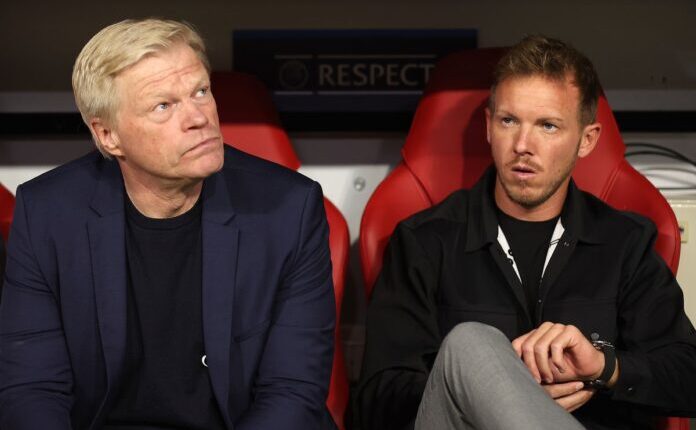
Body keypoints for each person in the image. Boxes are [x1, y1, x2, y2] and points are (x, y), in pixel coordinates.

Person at [0, 18, 336, 430]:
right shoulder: (47, 213)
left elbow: (292, 392)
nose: (198, 117)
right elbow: (33, 390)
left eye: (201, 92)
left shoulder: (289, 209)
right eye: (163, 106)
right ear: (108, 135)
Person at [356, 35, 696, 430]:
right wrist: (492, 384)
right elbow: (375, 403)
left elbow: (688, 378)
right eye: (508, 121)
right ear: (488, 126)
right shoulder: (426, 241)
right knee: (471, 344)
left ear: (586, 140)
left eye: (547, 126)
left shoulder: (625, 242)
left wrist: (604, 367)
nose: (522, 145)